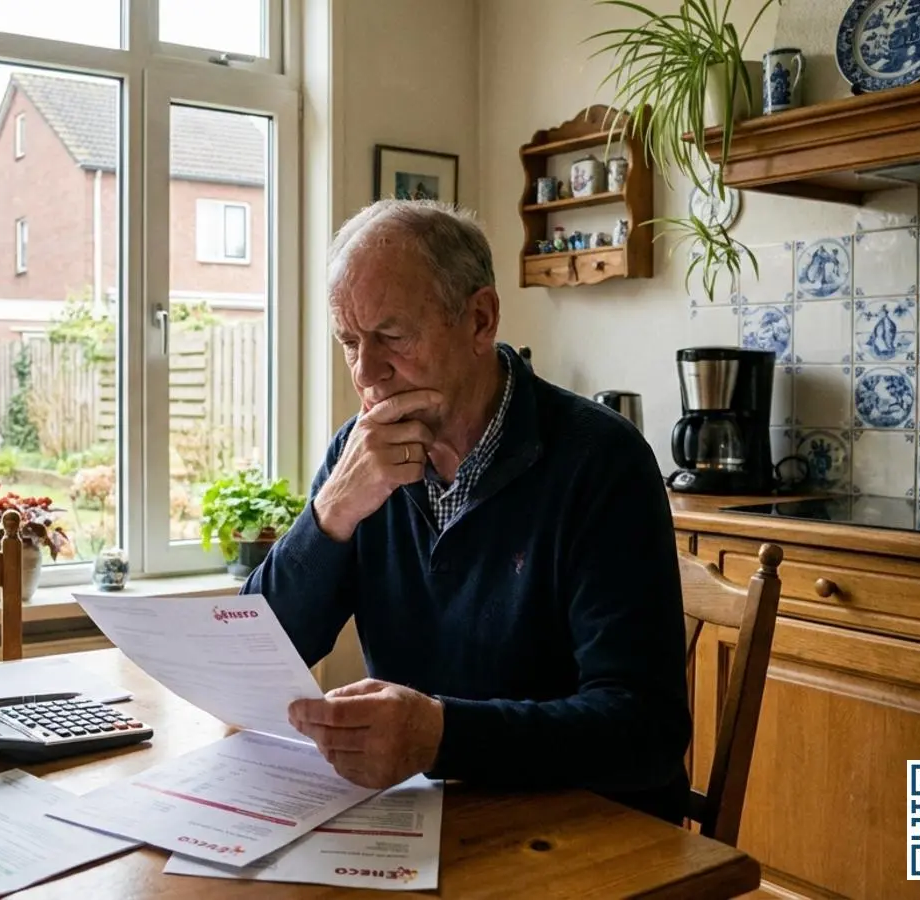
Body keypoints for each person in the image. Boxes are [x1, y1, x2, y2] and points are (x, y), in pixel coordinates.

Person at [249, 199, 690, 823]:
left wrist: (440, 735)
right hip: (433, 822)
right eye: (350, 342)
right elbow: (258, 652)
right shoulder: (360, 452)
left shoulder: (602, 460)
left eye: (392, 337)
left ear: (480, 320)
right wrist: (332, 512)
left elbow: (645, 733)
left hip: (589, 832)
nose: (367, 372)